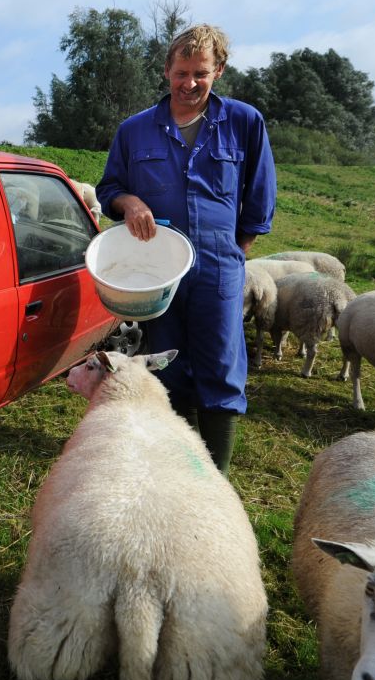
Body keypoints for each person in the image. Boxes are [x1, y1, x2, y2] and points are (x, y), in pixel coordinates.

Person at [95, 24, 276, 472]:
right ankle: (178, 463)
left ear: (219, 71)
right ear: (166, 71)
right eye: (181, 73)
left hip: (219, 263)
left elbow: (260, 195)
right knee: (167, 363)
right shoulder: (135, 130)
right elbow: (109, 189)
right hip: (157, 268)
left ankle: (215, 476)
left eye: (200, 73)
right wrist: (129, 200)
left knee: (220, 362)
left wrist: (237, 248)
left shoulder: (244, 122)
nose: (189, 84)